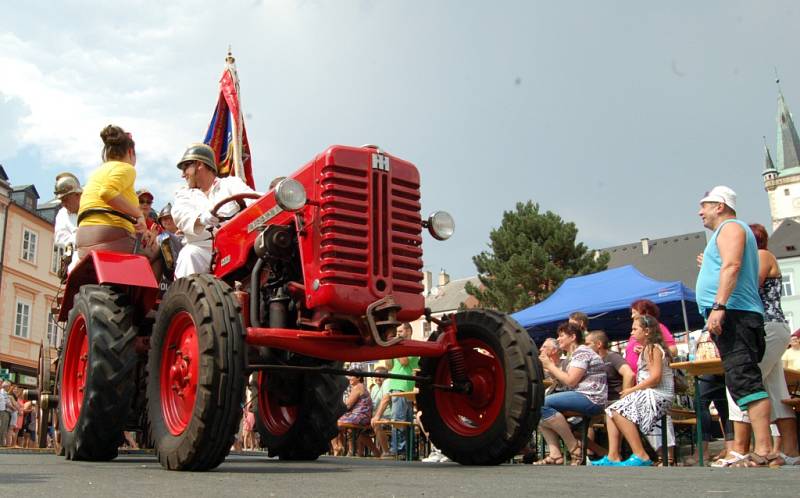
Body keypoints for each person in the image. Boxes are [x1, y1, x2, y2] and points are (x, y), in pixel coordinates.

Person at [695, 185, 776, 467]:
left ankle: (765, 449)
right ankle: (764, 448)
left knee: (745, 380)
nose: (700, 212)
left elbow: (732, 266)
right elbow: (727, 266)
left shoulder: (730, 227)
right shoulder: (728, 232)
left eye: (704, 205)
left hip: (735, 316)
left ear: (720, 206)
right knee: (743, 380)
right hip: (738, 314)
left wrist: (718, 307)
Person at [720, 223, 798, 467]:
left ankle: (740, 449)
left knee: (742, 383)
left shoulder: (762, 256)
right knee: (776, 393)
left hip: (768, 326)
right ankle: (791, 452)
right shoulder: (758, 258)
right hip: (771, 327)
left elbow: (750, 286)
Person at [590, 315, 674, 466]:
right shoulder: (647, 349)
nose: (631, 332)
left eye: (635, 329)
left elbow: (655, 378)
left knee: (618, 411)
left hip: (658, 394)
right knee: (611, 410)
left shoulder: (652, 347)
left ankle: (641, 454)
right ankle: (613, 455)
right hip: (649, 393)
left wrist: (631, 389)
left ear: (647, 331)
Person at [171, 143, 258, 278]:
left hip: (237, 246)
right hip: (202, 250)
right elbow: (181, 215)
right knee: (190, 255)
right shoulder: (183, 195)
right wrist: (201, 219)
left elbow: (255, 201)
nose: (183, 175)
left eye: (185, 167)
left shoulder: (231, 184)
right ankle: (187, 297)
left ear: (199, 164)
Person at [535, 322, 607, 465]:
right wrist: (551, 369)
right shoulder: (573, 356)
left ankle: (574, 447)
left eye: (561, 335)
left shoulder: (582, 353)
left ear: (573, 337)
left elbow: (571, 381)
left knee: (541, 404)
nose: (559, 339)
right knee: (536, 411)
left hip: (590, 398)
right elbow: (566, 382)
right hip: (584, 396)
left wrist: (549, 366)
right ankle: (555, 454)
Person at [76, 125, 150, 260]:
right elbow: (107, 192)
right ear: (130, 152)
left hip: (82, 239)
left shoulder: (97, 172)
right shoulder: (126, 168)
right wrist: (139, 215)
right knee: (158, 253)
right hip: (110, 235)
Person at [372, 323, 419, 458]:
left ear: (409, 331)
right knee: (404, 420)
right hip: (397, 385)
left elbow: (404, 361)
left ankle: (400, 450)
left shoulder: (411, 345)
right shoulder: (400, 347)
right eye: (397, 331)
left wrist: (396, 346)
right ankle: (408, 451)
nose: (398, 334)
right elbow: (389, 365)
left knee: (399, 420)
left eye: (400, 331)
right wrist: (389, 348)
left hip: (403, 386)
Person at [625, 299, 678, 374]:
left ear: (645, 312)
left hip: (650, 377)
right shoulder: (635, 332)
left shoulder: (658, 327)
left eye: (634, 312)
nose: (632, 316)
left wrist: (649, 351)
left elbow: (674, 351)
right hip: (638, 378)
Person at [585, 330, 634, 402]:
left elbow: (629, 374)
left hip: (614, 400)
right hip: (599, 401)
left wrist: (624, 400)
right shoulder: (592, 361)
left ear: (599, 344)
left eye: (587, 344)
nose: (585, 347)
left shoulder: (612, 357)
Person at [332, 375, 375, 456]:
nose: (349, 378)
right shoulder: (361, 387)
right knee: (343, 426)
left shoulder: (358, 387)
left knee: (333, 422)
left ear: (358, 377)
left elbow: (347, 405)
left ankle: (337, 447)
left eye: (351, 376)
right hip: (362, 416)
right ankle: (348, 450)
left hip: (360, 416)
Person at [53, 172, 82, 273]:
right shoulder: (62, 215)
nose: (63, 204)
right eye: (61, 200)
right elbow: (61, 241)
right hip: (76, 264)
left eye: (66, 199)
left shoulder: (90, 206)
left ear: (78, 195)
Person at [369, 366, 392, 457]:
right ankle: (374, 451)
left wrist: (376, 416)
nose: (377, 378)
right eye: (376, 376)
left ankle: (386, 451)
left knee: (376, 423)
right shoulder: (374, 388)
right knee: (359, 426)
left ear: (385, 376)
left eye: (380, 376)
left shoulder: (387, 384)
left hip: (387, 415)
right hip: (376, 415)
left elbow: (386, 400)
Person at [0, 381, 10, 447]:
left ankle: (2, 442)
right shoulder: (3, 392)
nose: (9, 387)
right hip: (3, 411)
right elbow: (8, 403)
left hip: (3, 411)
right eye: (9, 386)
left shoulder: (2, 392)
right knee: (3, 427)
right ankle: (1, 443)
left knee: (3, 427)